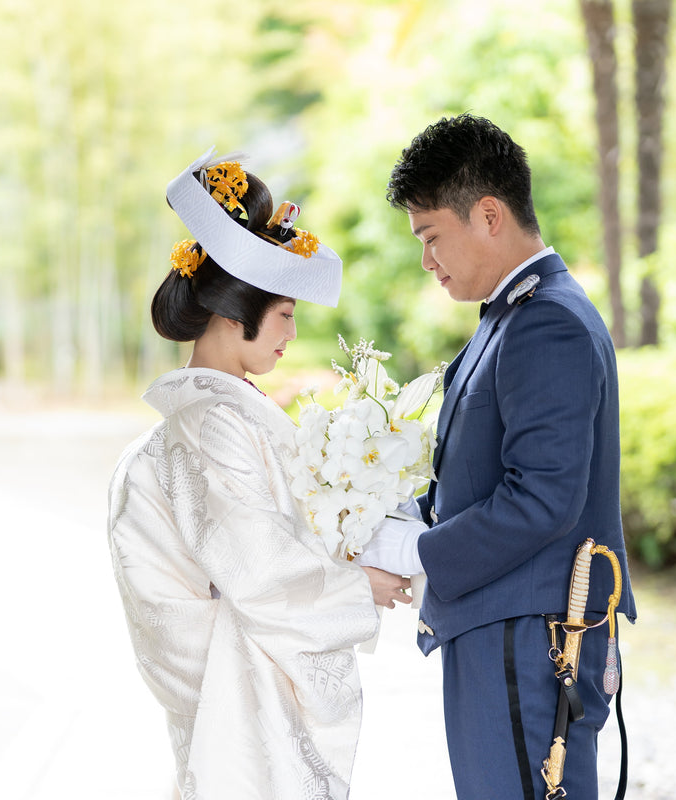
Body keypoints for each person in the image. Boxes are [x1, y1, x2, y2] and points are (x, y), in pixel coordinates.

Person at [107, 150, 411, 800]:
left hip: (234, 685)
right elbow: (259, 566)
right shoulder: (214, 426)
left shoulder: (211, 417)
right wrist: (358, 586)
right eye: (284, 316)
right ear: (231, 314)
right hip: (240, 690)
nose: (291, 335)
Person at [358, 113, 638, 800]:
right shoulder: (512, 315)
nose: (426, 260)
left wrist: (413, 553)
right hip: (504, 630)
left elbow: (542, 499)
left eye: (431, 237)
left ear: (488, 214)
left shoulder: (547, 323)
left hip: (531, 642)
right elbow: (476, 476)